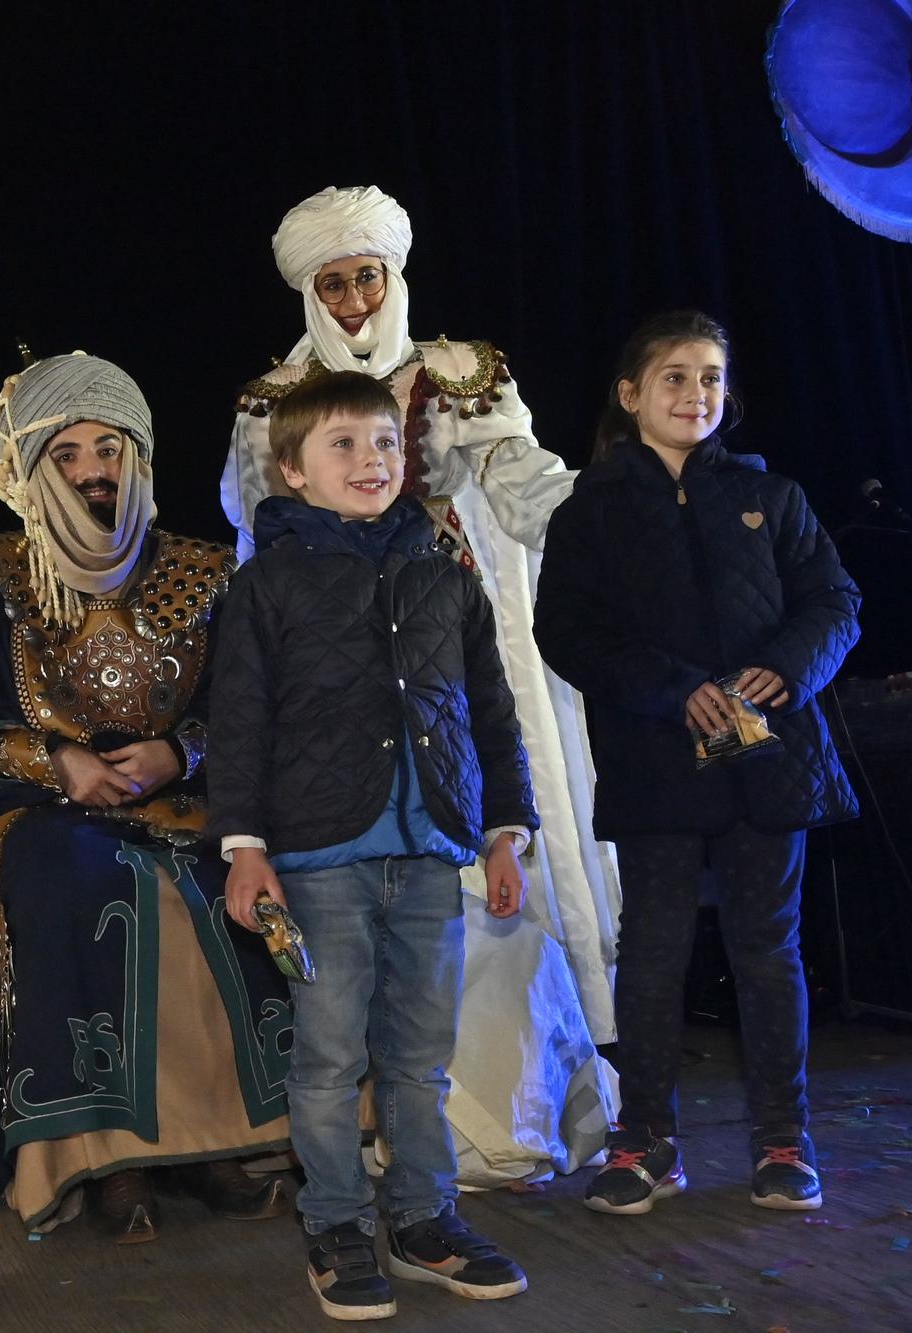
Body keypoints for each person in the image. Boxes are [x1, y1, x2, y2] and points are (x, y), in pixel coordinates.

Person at [0, 353, 295, 1242]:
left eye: (108, 449)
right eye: (69, 452)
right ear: (34, 468)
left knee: (215, 870)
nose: (92, 471)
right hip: (32, 807)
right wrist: (56, 761)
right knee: (75, 871)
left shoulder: (204, 569)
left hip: (186, 798)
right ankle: (102, 1152)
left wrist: (178, 748)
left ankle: (220, 1142)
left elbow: (251, 706)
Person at [220, 184, 615, 1188]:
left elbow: (526, 488)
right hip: (338, 678)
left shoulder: (461, 374)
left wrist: (622, 518)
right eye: (332, 281)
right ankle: (366, 1158)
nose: (352, 298)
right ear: (310, 291)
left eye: (366, 276)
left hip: (454, 642)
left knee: (493, 864)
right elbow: (255, 530)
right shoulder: (272, 399)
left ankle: (509, 1112)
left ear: (392, 279)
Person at [210, 370, 535, 1322]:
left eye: (385, 442)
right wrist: (245, 849)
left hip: (432, 849)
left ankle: (426, 1218)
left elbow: (492, 712)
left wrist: (504, 835)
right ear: (293, 471)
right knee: (327, 1055)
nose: (371, 460)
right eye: (343, 445)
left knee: (420, 1053)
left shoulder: (442, 568)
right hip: (319, 859)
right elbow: (239, 722)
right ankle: (338, 1223)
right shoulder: (266, 583)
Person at [533, 310, 860, 1216]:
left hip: (769, 760)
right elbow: (564, 630)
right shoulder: (591, 509)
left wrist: (788, 668)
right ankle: (644, 1141)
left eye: (711, 377)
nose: (695, 394)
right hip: (657, 759)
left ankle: (782, 1140)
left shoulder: (774, 497)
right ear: (631, 394)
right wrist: (673, 688)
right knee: (653, 951)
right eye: (674, 377)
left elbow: (837, 601)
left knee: (768, 948)